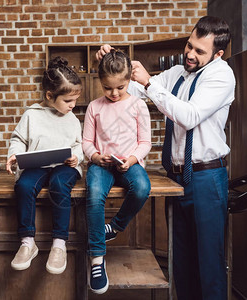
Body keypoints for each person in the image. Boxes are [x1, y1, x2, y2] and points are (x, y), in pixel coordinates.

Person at [97, 16, 235, 300]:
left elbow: (189, 116)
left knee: (209, 264)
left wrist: (149, 83)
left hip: (207, 178)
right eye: (189, 45)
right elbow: (132, 90)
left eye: (200, 51)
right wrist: (115, 65)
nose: (190, 54)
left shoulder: (221, 75)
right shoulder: (177, 74)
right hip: (176, 177)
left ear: (218, 54)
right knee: (181, 263)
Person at [82, 49, 152, 294]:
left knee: (142, 187)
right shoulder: (94, 107)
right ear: (100, 83)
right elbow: (86, 143)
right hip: (102, 164)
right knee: (93, 194)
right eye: (107, 88)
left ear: (129, 81)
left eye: (120, 87)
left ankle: (115, 227)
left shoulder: (138, 105)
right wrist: (95, 156)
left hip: (129, 163)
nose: (113, 93)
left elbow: (145, 142)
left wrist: (132, 159)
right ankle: (97, 260)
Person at [6, 56, 84, 275]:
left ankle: (59, 244)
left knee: (60, 185)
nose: (73, 105)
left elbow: (80, 146)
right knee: (23, 186)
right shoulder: (32, 115)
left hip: (64, 166)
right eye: (68, 101)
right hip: (37, 165)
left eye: (75, 100)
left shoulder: (71, 119)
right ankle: (27, 242)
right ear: (50, 96)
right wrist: (14, 155)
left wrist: (76, 157)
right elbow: (18, 140)